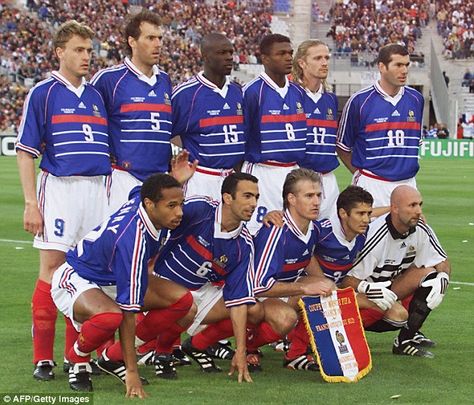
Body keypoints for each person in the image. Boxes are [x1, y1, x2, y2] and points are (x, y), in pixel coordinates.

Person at [98, 173, 262, 383]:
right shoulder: (201, 209)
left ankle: (172, 350)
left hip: (199, 289)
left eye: (256, 197)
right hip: (159, 280)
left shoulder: (244, 245)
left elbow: (238, 300)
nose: (253, 203)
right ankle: (113, 355)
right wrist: (174, 179)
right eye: (247, 196)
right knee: (186, 304)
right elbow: (159, 205)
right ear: (227, 198)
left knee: (252, 309)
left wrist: (241, 350)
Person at [15, 20, 111, 381]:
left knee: (87, 272)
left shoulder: (97, 94)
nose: (87, 56)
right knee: (53, 269)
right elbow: (26, 153)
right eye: (79, 50)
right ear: (60, 52)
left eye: (90, 50)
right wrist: (30, 203)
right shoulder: (43, 92)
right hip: (60, 188)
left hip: (96, 191)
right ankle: (43, 358)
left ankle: (78, 356)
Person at [51, 173, 185, 395]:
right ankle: (78, 355)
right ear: (150, 205)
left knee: (182, 301)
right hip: (78, 277)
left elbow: (138, 191)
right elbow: (128, 312)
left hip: (112, 277)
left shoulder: (142, 201)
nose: (179, 212)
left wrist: (175, 179)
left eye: (180, 204)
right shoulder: (133, 240)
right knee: (113, 317)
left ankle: (111, 358)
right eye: (171, 205)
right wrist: (132, 372)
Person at [342, 185, 451, 358]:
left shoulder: (421, 229)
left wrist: (444, 277)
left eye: (419, 205)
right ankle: (342, 329)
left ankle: (405, 341)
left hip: (392, 289)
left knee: (431, 275)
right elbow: (346, 280)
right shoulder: (376, 235)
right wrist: (368, 289)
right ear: (394, 208)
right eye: (412, 205)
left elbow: (441, 260)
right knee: (398, 316)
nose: (418, 211)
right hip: (364, 294)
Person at [248, 168, 335, 371]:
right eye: (309, 196)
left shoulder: (312, 228)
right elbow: (259, 286)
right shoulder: (276, 231)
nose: (316, 202)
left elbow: (308, 257)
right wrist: (305, 289)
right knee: (286, 318)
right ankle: (248, 345)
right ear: (292, 199)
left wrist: (323, 285)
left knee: (327, 288)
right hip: (255, 295)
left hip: (284, 288)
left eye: (318, 195)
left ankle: (296, 354)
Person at [91, 10, 174, 214]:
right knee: (120, 242)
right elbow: (88, 118)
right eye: (150, 38)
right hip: (123, 177)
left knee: (159, 244)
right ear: (132, 41)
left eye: (160, 38)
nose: (158, 44)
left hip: (161, 179)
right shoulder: (109, 79)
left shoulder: (165, 80)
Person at [336, 43, 424, 207]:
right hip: (372, 185)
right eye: (398, 65)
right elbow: (342, 146)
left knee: (410, 232)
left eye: (406, 65)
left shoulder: (416, 99)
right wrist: (360, 173)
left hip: (408, 184)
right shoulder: (359, 101)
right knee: (368, 232)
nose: (404, 70)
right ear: (382, 67)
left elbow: (415, 142)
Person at [242, 34, 307, 234]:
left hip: (293, 172)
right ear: (265, 59)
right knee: (257, 230)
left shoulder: (298, 92)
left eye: (290, 53)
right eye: (281, 54)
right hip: (263, 171)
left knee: (293, 232)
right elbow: (242, 137)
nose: (288, 57)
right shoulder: (252, 92)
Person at [172, 33, 245, 200]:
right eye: (221, 53)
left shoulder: (239, 91)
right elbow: (164, 134)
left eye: (230, 52)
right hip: (201, 178)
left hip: (233, 180)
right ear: (204, 56)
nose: (229, 58)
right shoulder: (185, 94)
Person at [292, 39, 339, 219]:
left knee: (327, 239)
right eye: (318, 58)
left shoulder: (331, 99)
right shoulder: (291, 94)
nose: (325, 62)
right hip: (301, 179)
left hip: (328, 179)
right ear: (302, 63)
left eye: (326, 57)